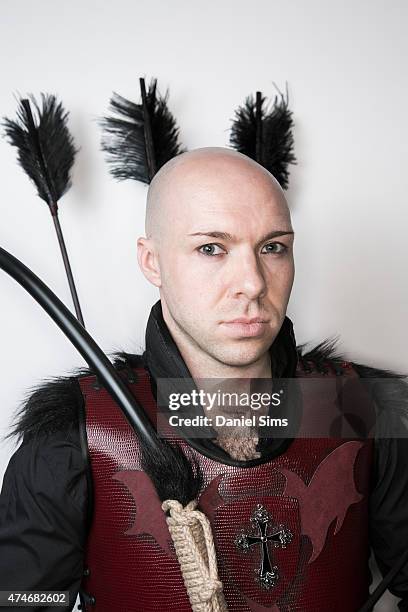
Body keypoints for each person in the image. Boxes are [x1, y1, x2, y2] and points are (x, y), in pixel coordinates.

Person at [0, 147, 407, 611]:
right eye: (211, 248)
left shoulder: (359, 408)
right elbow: (19, 599)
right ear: (152, 262)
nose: (252, 283)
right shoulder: (77, 430)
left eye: (272, 247)